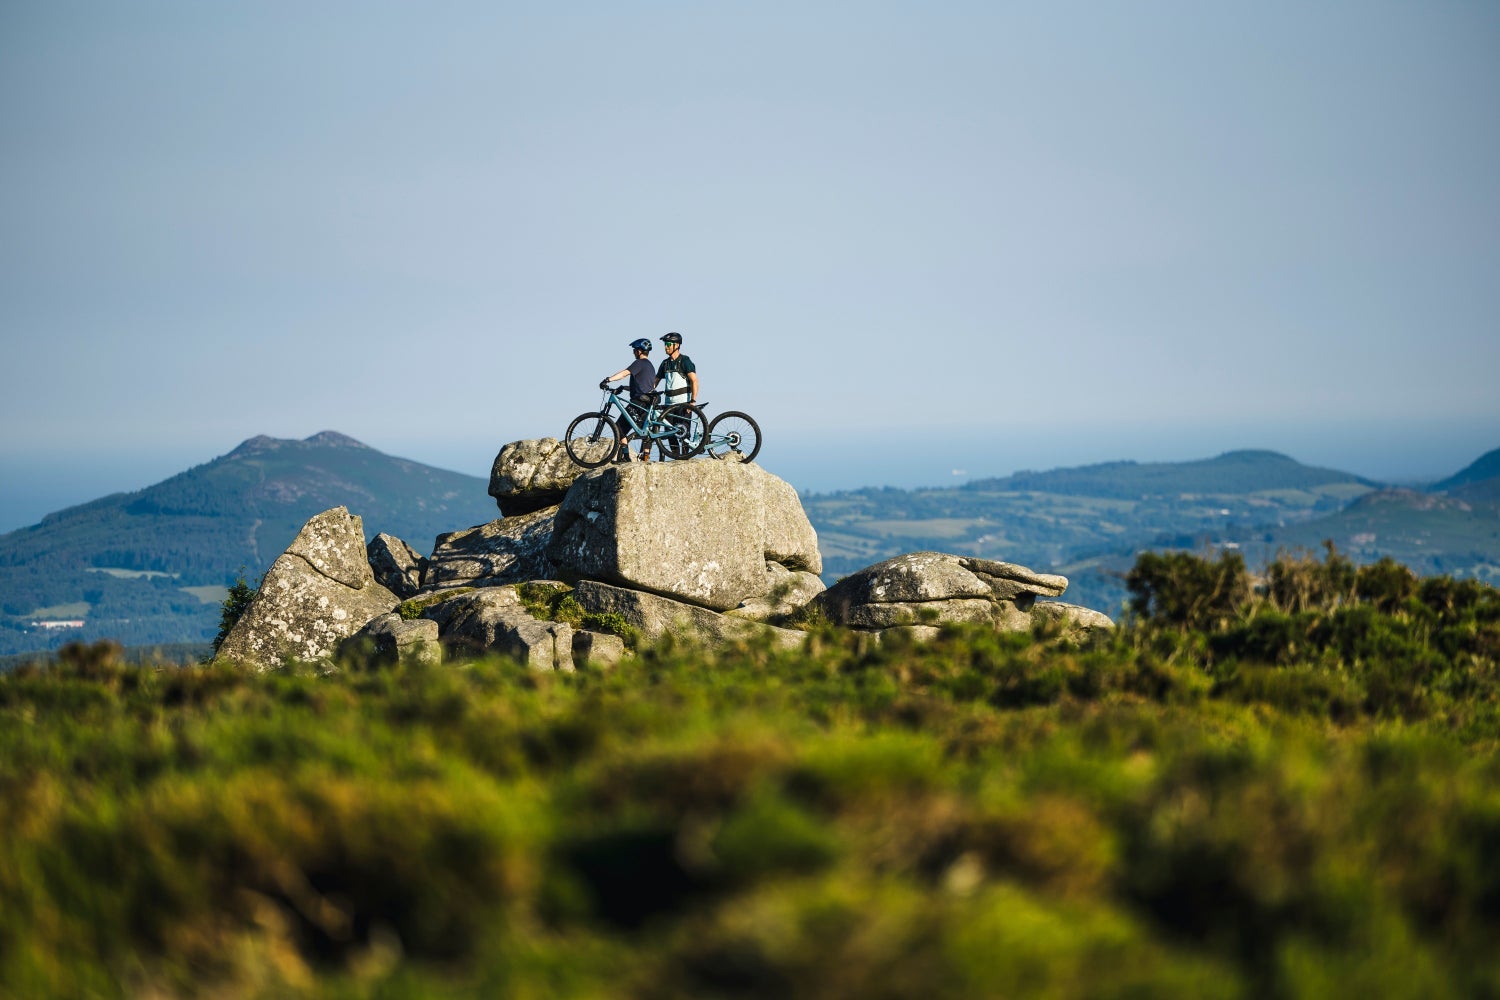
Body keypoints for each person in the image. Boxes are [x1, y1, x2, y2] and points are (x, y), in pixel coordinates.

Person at [602, 338, 658, 461]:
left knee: (618, 427)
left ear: (639, 351)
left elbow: (624, 373)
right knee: (645, 430)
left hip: (638, 402)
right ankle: (644, 457)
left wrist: (608, 380)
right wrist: (624, 387)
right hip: (647, 402)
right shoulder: (650, 366)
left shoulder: (639, 363)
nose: (633, 352)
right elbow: (644, 386)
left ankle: (625, 456)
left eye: (634, 350)